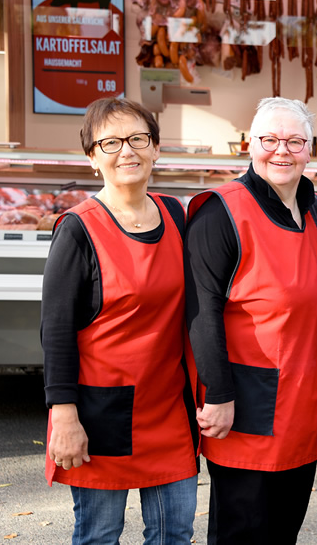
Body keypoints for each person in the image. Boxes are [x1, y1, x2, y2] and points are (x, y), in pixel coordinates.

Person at [41, 97, 199, 544]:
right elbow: (56, 331)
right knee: (99, 535)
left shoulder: (176, 215)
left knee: (175, 533)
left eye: (137, 139)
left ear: (155, 148)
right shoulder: (77, 229)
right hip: (98, 413)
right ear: (92, 157)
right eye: (110, 142)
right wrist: (64, 417)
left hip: (169, 408)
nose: (126, 151)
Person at [184, 98, 317, 544]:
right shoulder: (222, 211)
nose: (281, 151)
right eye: (269, 140)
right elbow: (202, 311)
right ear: (249, 146)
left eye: (295, 141)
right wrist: (217, 394)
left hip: (302, 406)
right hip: (244, 407)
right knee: (241, 533)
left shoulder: (315, 211)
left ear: (310, 150)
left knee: (283, 532)